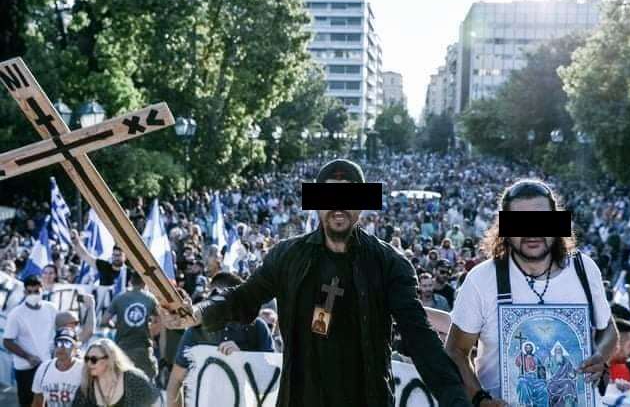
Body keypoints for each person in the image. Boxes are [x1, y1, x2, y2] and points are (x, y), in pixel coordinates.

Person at [162, 158, 470, 407]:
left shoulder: (388, 264)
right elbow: (243, 298)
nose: (338, 206)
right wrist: (197, 312)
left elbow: (421, 338)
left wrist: (457, 400)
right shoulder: (287, 256)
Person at [446, 179, 618, 407]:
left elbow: (609, 329)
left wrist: (601, 356)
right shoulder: (481, 280)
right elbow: (456, 351)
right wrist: (480, 399)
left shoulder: (584, 269)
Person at [166, 272, 273, 407]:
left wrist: (243, 358)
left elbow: (271, 379)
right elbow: (175, 383)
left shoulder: (257, 328)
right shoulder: (197, 331)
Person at [3, 275, 58, 407]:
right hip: (26, 368)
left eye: (36, 291)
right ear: (24, 292)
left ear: (42, 289)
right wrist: (28, 357)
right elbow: (7, 341)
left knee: (47, 402)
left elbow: (58, 331)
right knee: (27, 403)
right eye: (29, 292)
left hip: (46, 365)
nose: (33, 295)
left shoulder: (51, 309)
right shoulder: (16, 314)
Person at [102, 272, 159, 380]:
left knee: (123, 381)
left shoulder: (120, 298)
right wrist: (152, 333)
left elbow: (104, 320)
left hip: (122, 348)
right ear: (144, 283)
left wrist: (115, 326)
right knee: (147, 381)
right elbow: (160, 320)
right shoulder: (150, 298)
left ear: (131, 282)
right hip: (143, 348)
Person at [71, 338, 160, 407]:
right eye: (87, 359)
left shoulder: (133, 379)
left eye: (94, 359)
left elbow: (155, 401)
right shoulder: (87, 386)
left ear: (110, 359)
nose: (89, 363)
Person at [31, 328, 84, 407]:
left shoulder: (83, 369)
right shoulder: (44, 368)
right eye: (59, 343)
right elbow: (37, 402)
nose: (62, 347)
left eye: (67, 343)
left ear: (75, 348)